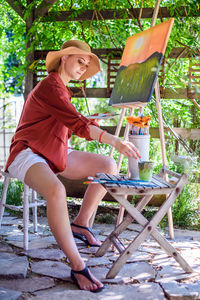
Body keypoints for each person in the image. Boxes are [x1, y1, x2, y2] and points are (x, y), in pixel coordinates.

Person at [5, 40, 141, 292]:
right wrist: (114, 139)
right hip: (28, 152)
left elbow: (71, 123)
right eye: (80, 61)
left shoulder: (63, 90)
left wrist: (89, 124)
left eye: (86, 64)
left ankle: (81, 223)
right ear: (64, 58)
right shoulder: (50, 86)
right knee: (57, 191)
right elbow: (77, 123)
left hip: (53, 152)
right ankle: (78, 266)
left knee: (108, 165)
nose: (83, 67)